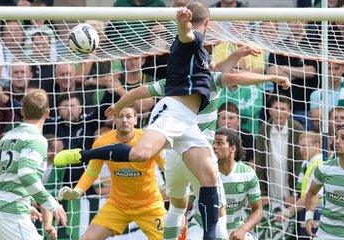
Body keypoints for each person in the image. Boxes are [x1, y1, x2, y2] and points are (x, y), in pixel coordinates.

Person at [55, 4, 223, 239]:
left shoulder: (199, 57)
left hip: (188, 122)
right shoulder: (192, 40)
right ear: (208, 23)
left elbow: (141, 91)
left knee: (210, 177)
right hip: (172, 112)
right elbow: (186, 35)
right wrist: (183, 23)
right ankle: (83, 154)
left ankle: (211, 236)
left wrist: (120, 104)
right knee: (140, 154)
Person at [58, 106, 166, 240]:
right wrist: (78, 191)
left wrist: (180, 193)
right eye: (120, 116)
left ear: (135, 120)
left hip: (150, 206)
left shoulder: (147, 141)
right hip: (117, 205)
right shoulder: (102, 143)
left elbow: (167, 167)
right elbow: (92, 171)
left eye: (128, 116)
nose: (124, 120)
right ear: (114, 119)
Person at [0, 89, 66, 240]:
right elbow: (26, 175)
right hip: (11, 213)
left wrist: (27, 203)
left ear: (22, 111)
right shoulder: (36, 139)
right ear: (47, 113)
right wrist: (52, 204)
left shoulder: (6, 138)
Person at [187, 128, 262, 240]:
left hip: (234, 229)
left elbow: (258, 210)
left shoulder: (248, 174)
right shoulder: (202, 171)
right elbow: (186, 204)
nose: (214, 147)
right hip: (201, 227)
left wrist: (243, 229)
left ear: (233, 148)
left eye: (220, 143)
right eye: (213, 143)